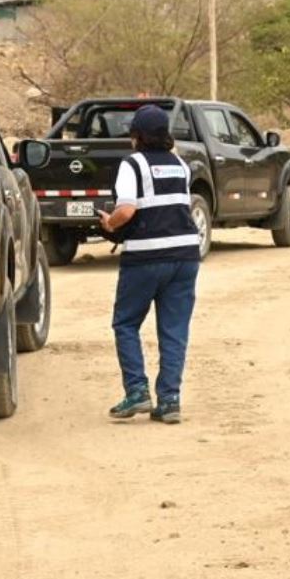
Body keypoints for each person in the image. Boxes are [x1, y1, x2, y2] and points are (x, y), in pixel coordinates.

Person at [98, 104, 202, 424]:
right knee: (174, 330)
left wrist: (110, 224)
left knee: (126, 324)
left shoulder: (133, 164)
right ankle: (169, 401)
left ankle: (137, 391)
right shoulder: (181, 165)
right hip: (185, 255)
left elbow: (127, 210)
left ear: (137, 136)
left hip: (145, 257)